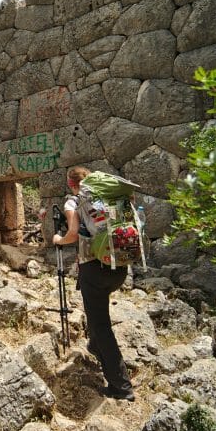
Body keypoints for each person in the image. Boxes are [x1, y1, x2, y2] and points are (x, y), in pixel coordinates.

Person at [52, 165, 135, 401]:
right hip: (118, 267)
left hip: (93, 269)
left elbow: (72, 233)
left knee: (101, 326)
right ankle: (96, 347)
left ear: (71, 183)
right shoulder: (106, 197)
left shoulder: (73, 202)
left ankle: (121, 387)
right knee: (97, 318)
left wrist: (59, 238)